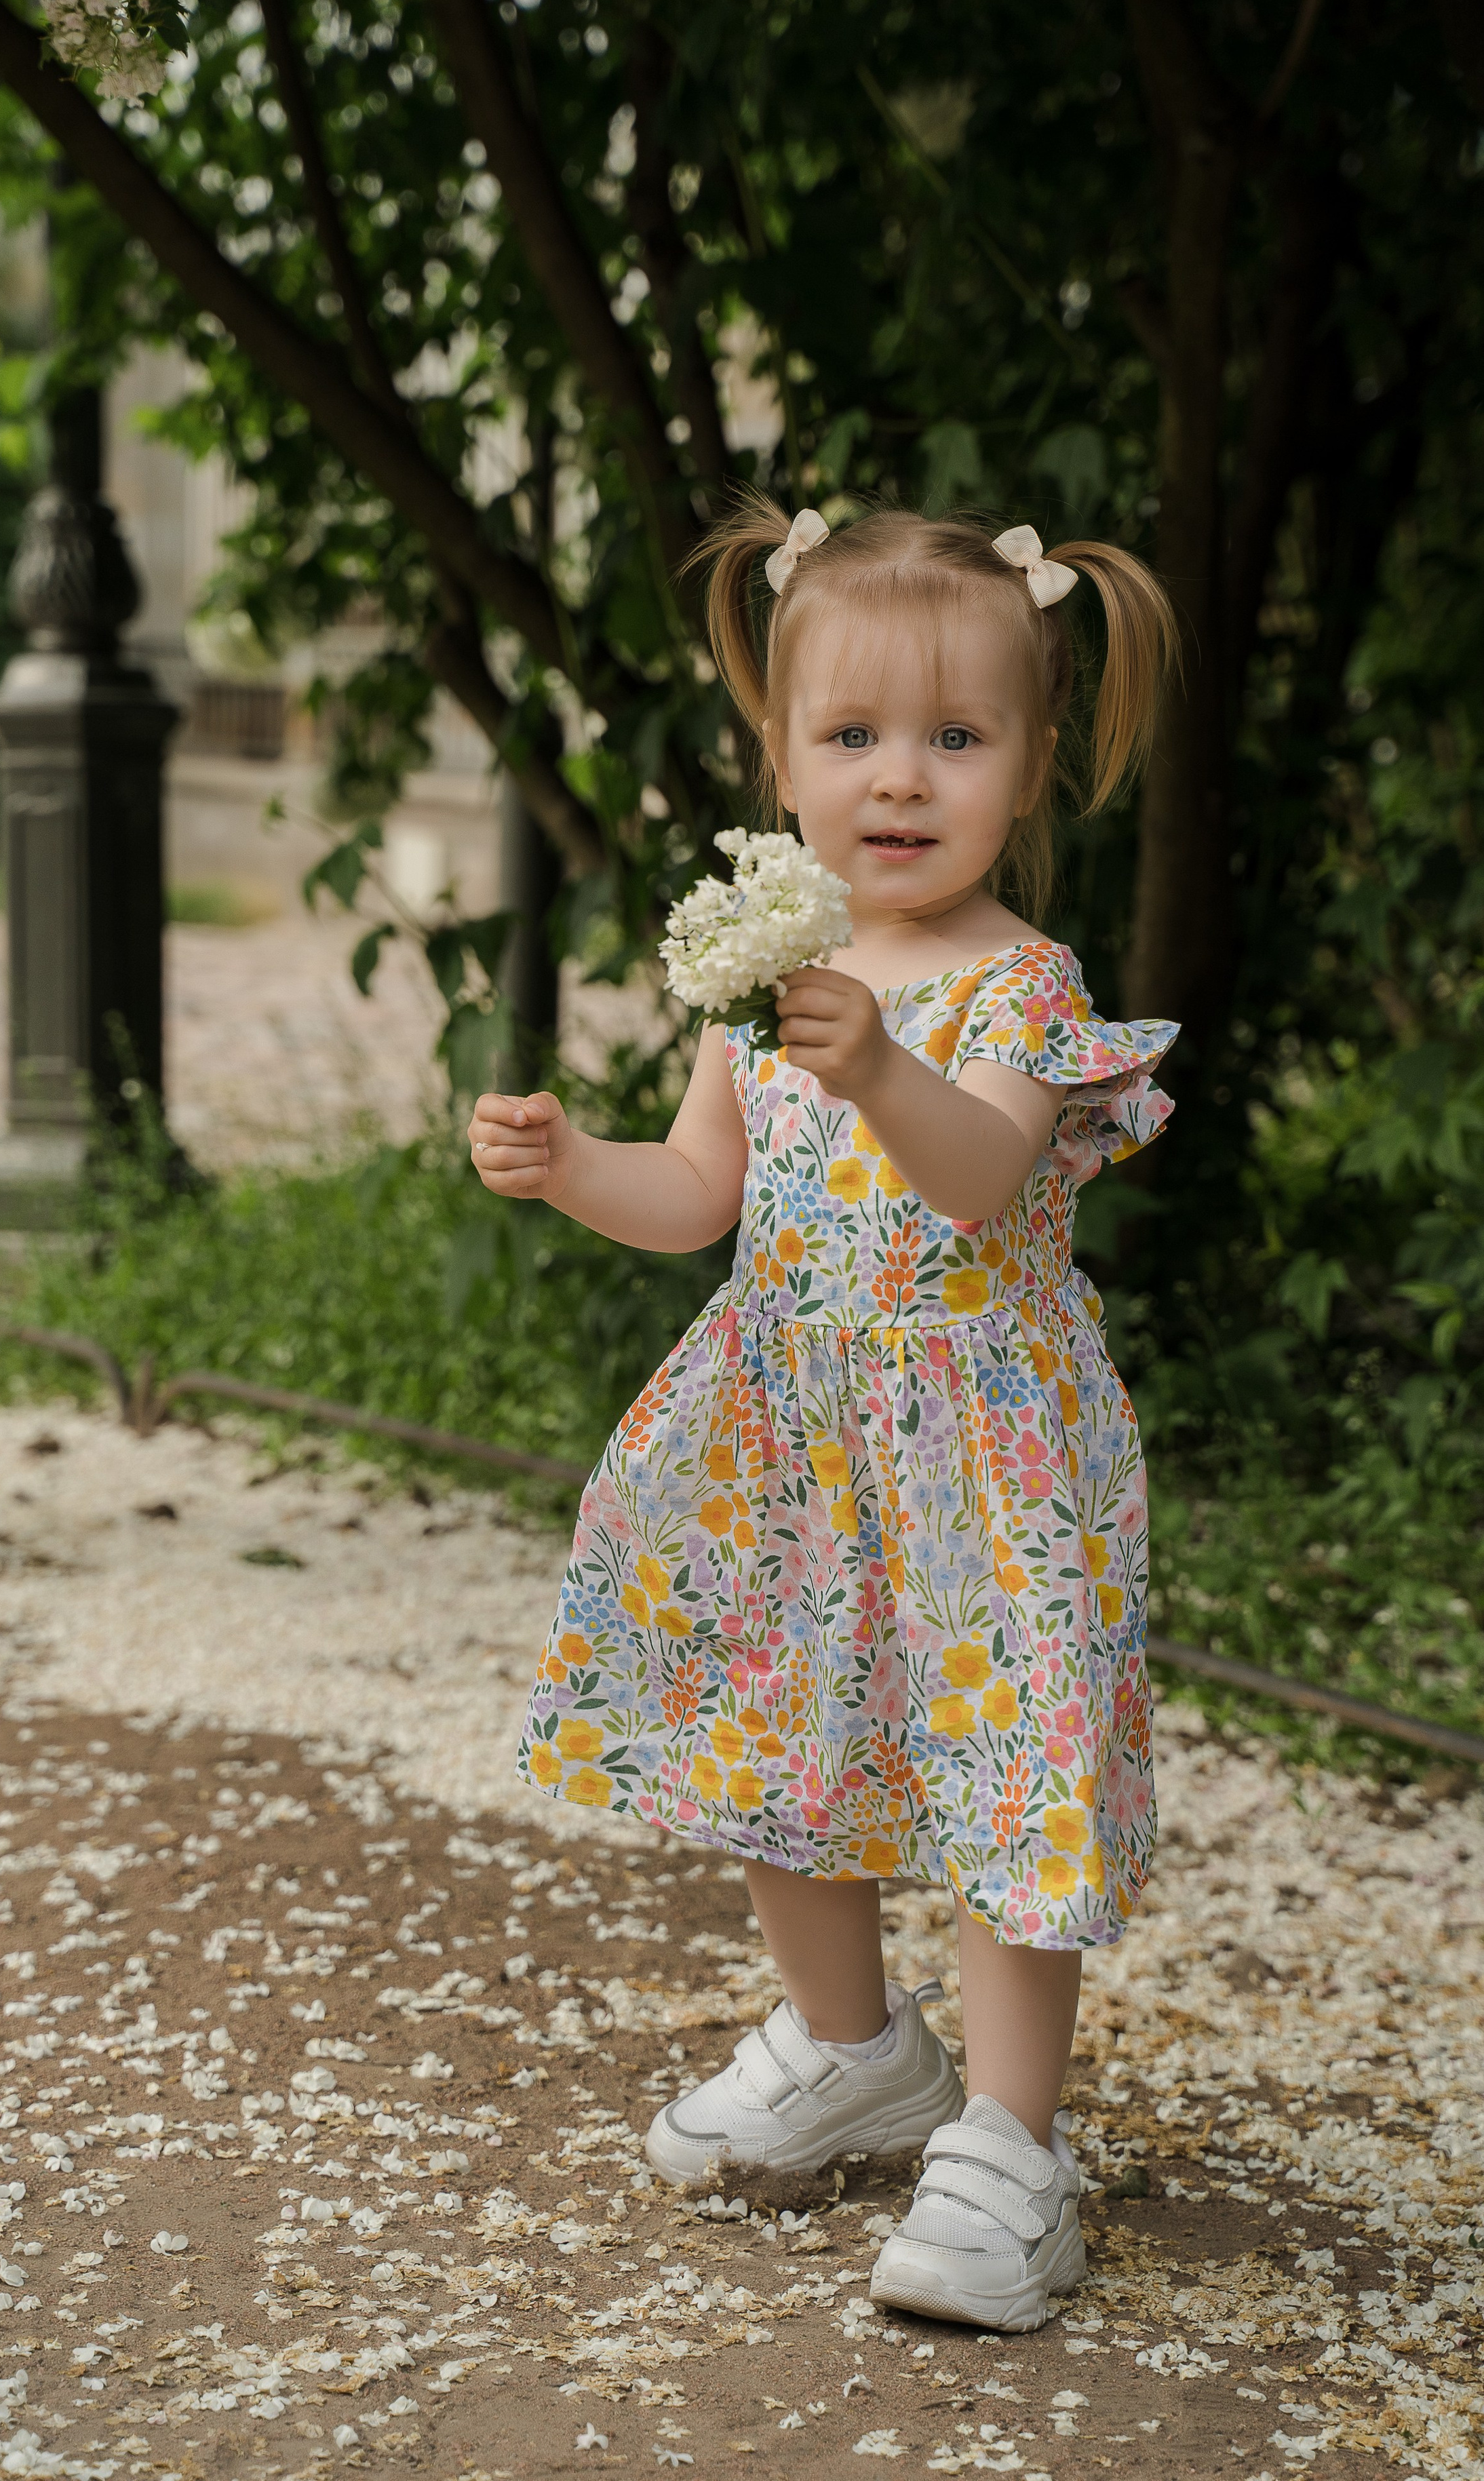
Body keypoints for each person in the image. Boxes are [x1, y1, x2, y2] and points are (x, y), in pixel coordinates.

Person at [467, 496, 1179, 2332]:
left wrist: (874, 1061)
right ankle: (857, 2045)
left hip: (986, 1454)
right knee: (791, 1751)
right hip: (796, 1431)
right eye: (854, 735)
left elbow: (979, 1177)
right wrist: (572, 1173)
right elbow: (702, 1195)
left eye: (958, 736)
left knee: (1013, 1771)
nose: (901, 778)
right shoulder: (762, 990)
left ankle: (1014, 2151)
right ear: (781, 757)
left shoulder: (1023, 987)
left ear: (1030, 769)